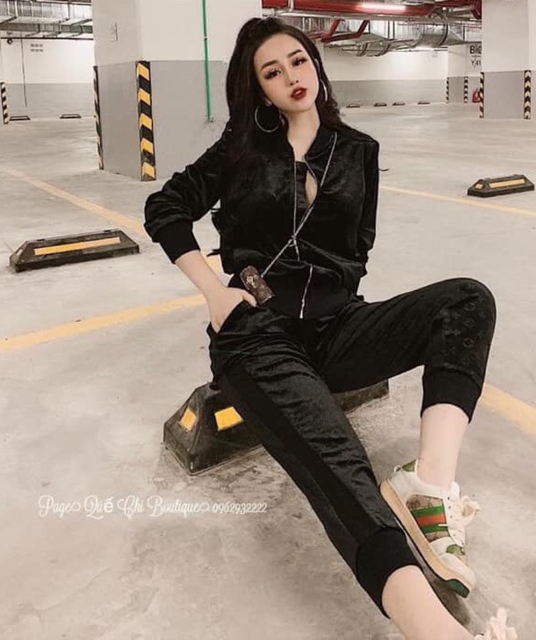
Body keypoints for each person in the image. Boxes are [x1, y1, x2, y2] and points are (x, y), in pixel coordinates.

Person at [144, 16, 516, 640]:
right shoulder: (240, 149)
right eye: (272, 72)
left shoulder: (358, 150)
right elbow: (165, 207)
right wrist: (214, 290)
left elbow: (356, 249)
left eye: (298, 60)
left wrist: (338, 304)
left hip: (336, 328)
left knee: (466, 300)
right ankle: (437, 630)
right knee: (342, 460)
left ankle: (428, 487)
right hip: (256, 335)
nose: (291, 76)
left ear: (315, 63)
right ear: (260, 89)